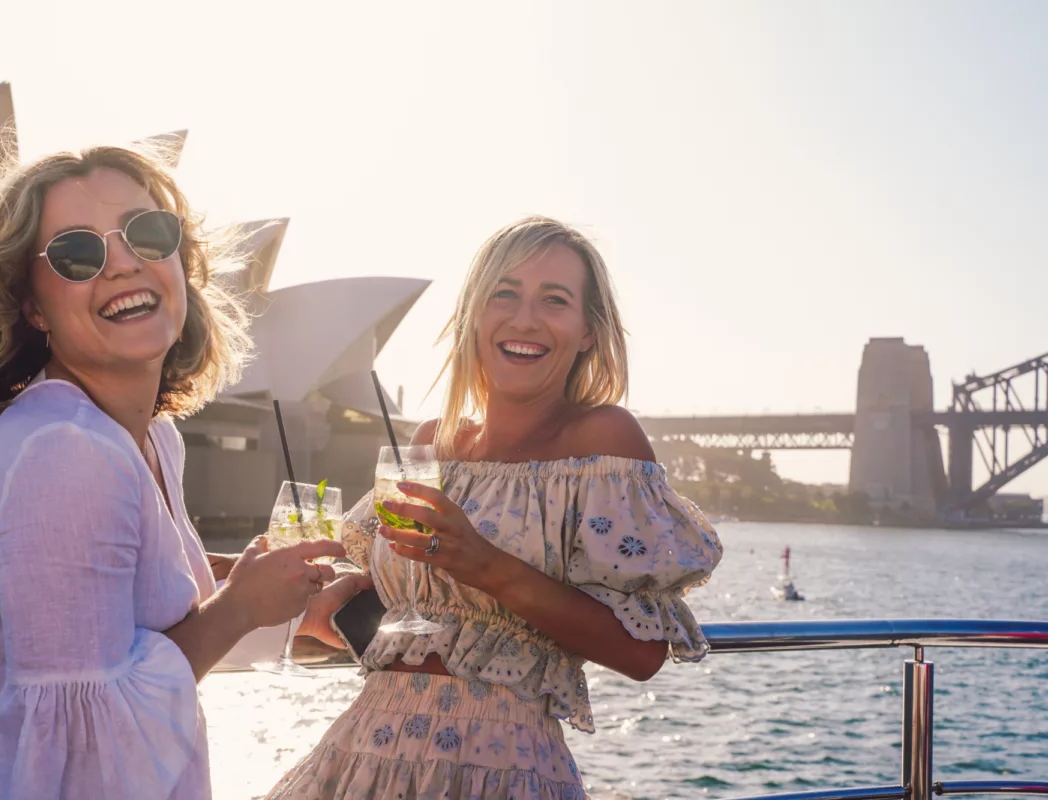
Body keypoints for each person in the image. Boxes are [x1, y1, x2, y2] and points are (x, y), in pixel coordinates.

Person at [0, 144, 363, 799]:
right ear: (33, 307)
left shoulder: (150, 439)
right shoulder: (64, 451)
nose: (122, 263)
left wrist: (290, 608)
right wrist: (238, 609)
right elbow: (81, 739)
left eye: (148, 233)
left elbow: (149, 631)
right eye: (77, 254)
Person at [268, 216, 723, 799]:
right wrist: (339, 593)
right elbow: (409, 595)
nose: (525, 318)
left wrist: (484, 565)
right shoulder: (434, 441)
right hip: (361, 755)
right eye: (503, 293)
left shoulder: (603, 441)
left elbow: (640, 654)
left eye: (554, 300)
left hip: (499, 770)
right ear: (474, 316)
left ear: (587, 331)